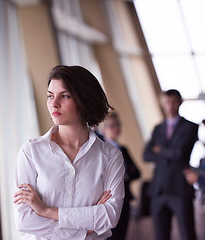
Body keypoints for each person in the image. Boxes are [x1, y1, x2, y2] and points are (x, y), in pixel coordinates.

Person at [13, 65, 125, 239]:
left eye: (64, 96)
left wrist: (46, 210)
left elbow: (110, 216)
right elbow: (25, 220)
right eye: (50, 96)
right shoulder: (31, 152)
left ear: (84, 100)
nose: (54, 104)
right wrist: (86, 229)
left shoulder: (110, 156)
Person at [143, 89, 199, 240]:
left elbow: (181, 154)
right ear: (162, 104)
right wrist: (169, 151)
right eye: (167, 102)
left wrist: (159, 150)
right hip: (159, 190)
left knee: (187, 233)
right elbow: (146, 154)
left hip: (180, 188)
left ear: (180, 102)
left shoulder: (191, 126)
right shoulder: (158, 128)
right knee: (161, 235)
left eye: (174, 102)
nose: (170, 106)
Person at [102, 112, 140, 240]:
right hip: (108, 200)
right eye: (112, 125)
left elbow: (137, 173)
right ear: (104, 129)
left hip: (125, 198)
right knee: (111, 235)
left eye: (118, 125)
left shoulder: (123, 149)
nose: (116, 128)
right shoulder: (100, 150)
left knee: (122, 234)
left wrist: (124, 175)